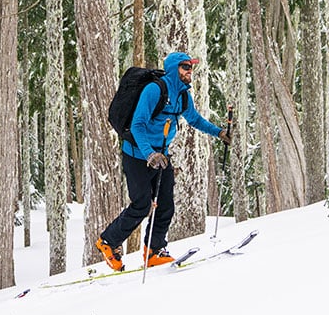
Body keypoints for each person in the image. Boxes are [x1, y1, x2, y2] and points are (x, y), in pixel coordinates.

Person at [96, 52, 232, 271]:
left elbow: (194, 119)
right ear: (173, 68)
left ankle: (154, 250)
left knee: (166, 205)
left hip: (162, 155)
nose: (190, 71)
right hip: (137, 155)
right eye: (185, 66)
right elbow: (138, 125)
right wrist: (150, 154)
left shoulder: (183, 94)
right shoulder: (154, 90)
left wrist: (218, 133)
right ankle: (108, 241)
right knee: (141, 205)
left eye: (191, 67)